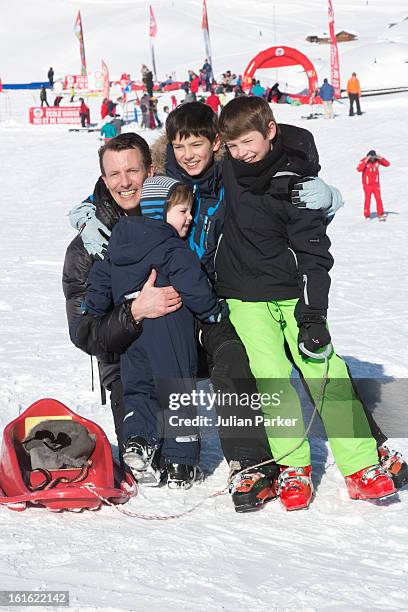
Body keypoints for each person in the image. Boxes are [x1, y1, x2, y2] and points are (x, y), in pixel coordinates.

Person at [215, 95, 403, 510]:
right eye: (232, 146)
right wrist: (92, 206)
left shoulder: (298, 183)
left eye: (249, 141)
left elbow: (315, 255)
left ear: (270, 130)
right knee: (270, 374)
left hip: (291, 290)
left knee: (325, 367)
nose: (242, 153)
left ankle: (361, 465)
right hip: (244, 292)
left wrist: (313, 314)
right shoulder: (227, 166)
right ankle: (293, 467)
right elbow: (175, 168)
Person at [85, 176, 227, 488]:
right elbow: (193, 284)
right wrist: (212, 310)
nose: (189, 218)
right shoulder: (171, 246)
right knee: (176, 392)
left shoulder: (116, 244)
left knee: (139, 390)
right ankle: (180, 462)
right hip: (170, 332)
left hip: (132, 336)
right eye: (182, 211)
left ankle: (137, 441)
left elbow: (99, 280)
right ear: (158, 211)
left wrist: (92, 309)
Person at [63, 133, 183, 456]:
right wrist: (135, 312)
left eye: (133, 171)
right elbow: (85, 331)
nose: (125, 183)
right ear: (104, 179)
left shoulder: (179, 215)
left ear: (151, 170)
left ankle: (252, 461)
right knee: (143, 452)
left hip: (180, 347)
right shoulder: (88, 247)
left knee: (180, 449)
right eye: (114, 174)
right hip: (123, 360)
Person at [357, 150, 390, 221]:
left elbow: (387, 164)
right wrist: (366, 160)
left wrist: (381, 158)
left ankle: (380, 213)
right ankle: (367, 215)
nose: (372, 158)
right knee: (367, 199)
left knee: (378, 199)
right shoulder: (364, 161)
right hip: (367, 185)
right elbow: (359, 169)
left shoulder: (377, 161)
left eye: (374, 157)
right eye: (371, 157)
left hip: (376, 184)